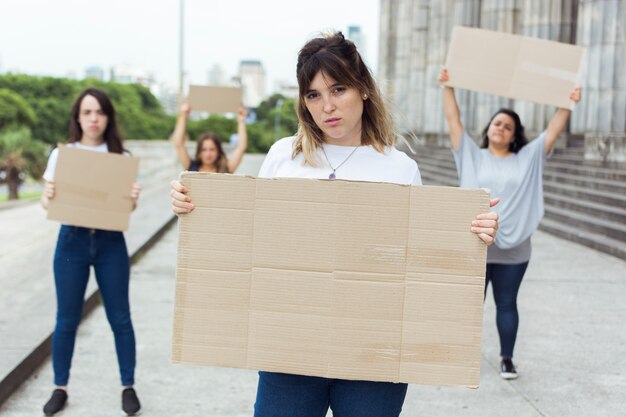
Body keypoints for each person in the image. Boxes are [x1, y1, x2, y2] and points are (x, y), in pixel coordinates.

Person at [170, 32, 499, 417]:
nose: (327, 106)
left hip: (372, 353)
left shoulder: (398, 168)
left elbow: (417, 261)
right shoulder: (283, 158)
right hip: (290, 348)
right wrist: (195, 207)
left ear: (362, 89)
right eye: (313, 95)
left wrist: (471, 234)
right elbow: (252, 239)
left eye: (338, 89)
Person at [438, 67, 581, 380]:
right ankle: (459, 356)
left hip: (515, 246)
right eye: (497, 123)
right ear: (489, 128)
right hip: (476, 242)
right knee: (470, 305)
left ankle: (507, 359)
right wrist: (448, 86)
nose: (501, 128)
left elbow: (552, 131)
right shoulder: (470, 154)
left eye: (508, 126)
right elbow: (454, 120)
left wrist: (568, 102)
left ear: (515, 135)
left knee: (506, 303)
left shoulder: (528, 158)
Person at [40, 87, 142, 416]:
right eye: (87, 112)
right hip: (72, 240)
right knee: (66, 318)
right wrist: (50, 195)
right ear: (78, 117)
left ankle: (128, 386)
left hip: (110, 242)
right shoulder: (64, 154)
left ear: (108, 116)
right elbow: (46, 202)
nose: (93, 118)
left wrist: (132, 198)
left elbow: (127, 206)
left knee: (120, 318)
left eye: (99, 111)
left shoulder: (121, 159)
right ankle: (60, 387)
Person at [171, 102, 248, 173]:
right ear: (199, 152)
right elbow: (178, 143)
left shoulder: (226, 169)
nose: (208, 154)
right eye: (204, 150)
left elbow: (241, 147)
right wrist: (183, 117)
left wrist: (241, 121)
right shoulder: (190, 166)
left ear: (218, 151)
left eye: (212, 149)